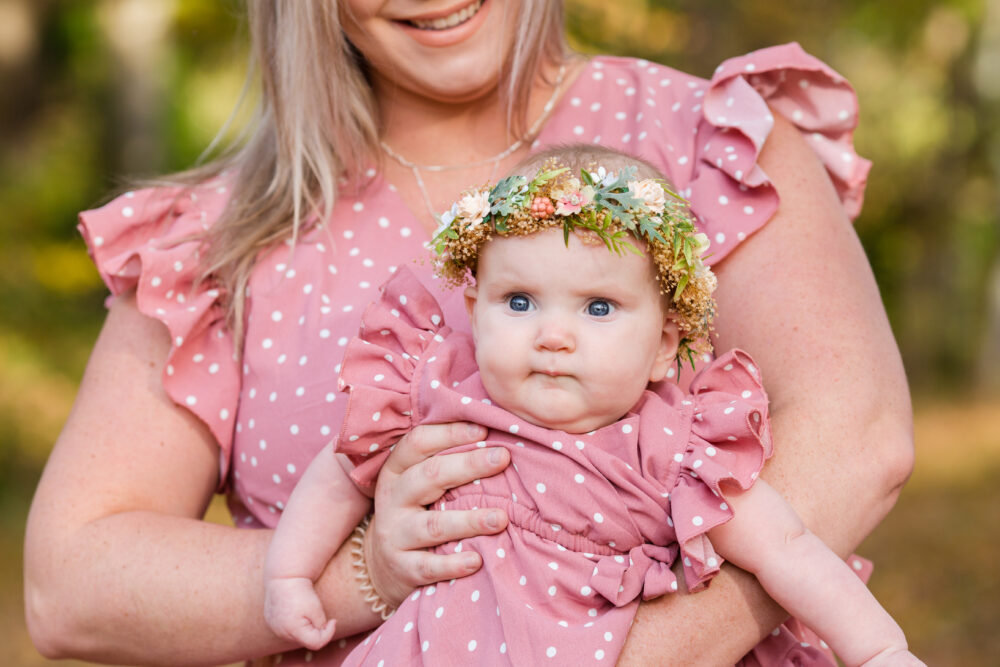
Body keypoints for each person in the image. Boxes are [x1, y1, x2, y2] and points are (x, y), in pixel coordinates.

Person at [23, 2, 914, 665]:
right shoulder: (225, 236)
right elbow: (71, 579)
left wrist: (624, 652)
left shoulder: (699, 138)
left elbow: (858, 433)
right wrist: (363, 575)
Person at [264, 145, 923, 667]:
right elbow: (343, 469)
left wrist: (878, 647)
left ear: (666, 346)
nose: (553, 334)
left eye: (598, 307)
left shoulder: (673, 448)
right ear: (473, 309)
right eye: (519, 301)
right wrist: (291, 573)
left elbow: (788, 547)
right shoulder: (436, 392)